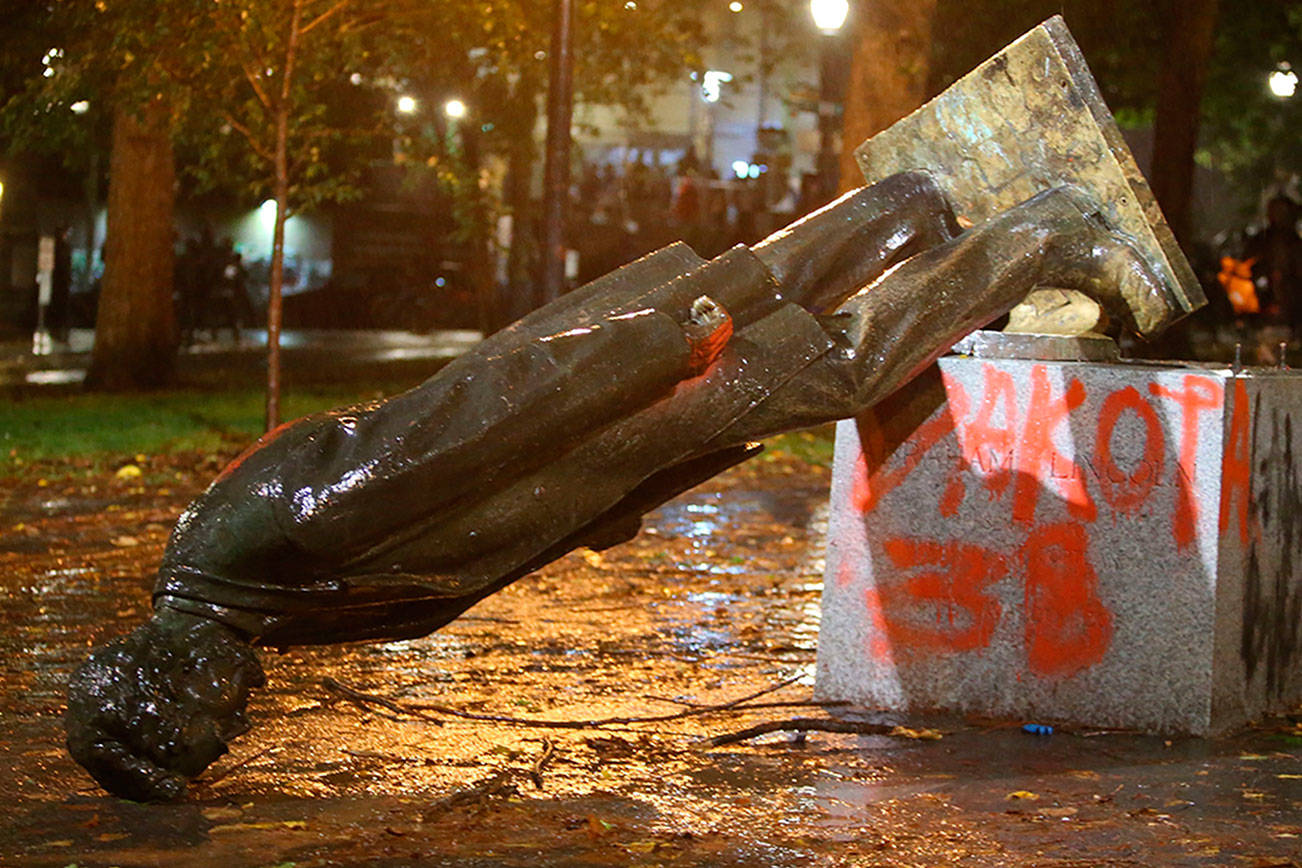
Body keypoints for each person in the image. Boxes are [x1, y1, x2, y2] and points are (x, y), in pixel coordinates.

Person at [66, 172, 1179, 802]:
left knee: (832, 364)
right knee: (765, 290)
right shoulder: (235, 602)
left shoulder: (266, 550)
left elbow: (466, 426)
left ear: (169, 678)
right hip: (603, 427)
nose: (237, 721)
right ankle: (910, 212)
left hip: (609, 401)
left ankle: (1040, 232)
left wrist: (649, 351)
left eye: (207, 721)